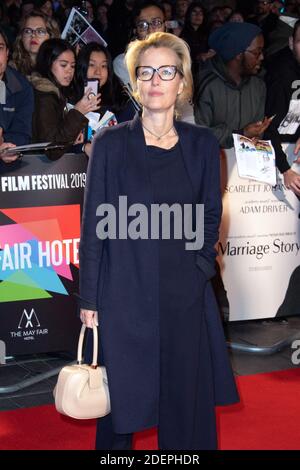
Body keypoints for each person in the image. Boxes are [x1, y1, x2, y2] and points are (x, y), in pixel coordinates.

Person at [79, 31, 239, 451]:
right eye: (145, 72)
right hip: (124, 295)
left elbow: (210, 213)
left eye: (166, 71)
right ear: (134, 84)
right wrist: (89, 301)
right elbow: (94, 225)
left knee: (187, 401)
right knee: (121, 408)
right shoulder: (110, 144)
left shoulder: (204, 145)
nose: (155, 80)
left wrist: (201, 267)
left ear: (182, 83)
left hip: (185, 295)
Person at [29, 38, 100, 160]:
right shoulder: (44, 95)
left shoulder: (55, 93)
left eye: (73, 66)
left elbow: (58, 137)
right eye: (63, 65)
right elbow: (52, 149)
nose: (69, 71)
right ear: (48, 63)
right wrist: (78, 112)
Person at [75, 42, 135, 156]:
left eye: (103, 66)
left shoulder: (121, 101)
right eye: (92, 65)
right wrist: (82, 147)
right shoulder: (69, 100)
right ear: (82, 66)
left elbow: (131, 143)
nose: (98, 71)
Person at [265, 19, 300, 196]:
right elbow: (268, 126)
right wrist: (285, 169)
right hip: (279, 153)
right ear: (291, 43)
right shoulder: (279, 74)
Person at [0, 27, 34, 147]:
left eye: (0, 48)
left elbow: (21, 133)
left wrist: (5, 145)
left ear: (7, 53)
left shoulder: (21, 87)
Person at [11, 10, 60, 77]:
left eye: (40, 31)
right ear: (21, 37)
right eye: (28, 31)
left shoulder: (59, 66)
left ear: (51, 37)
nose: (33, 35)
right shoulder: (11, 68)